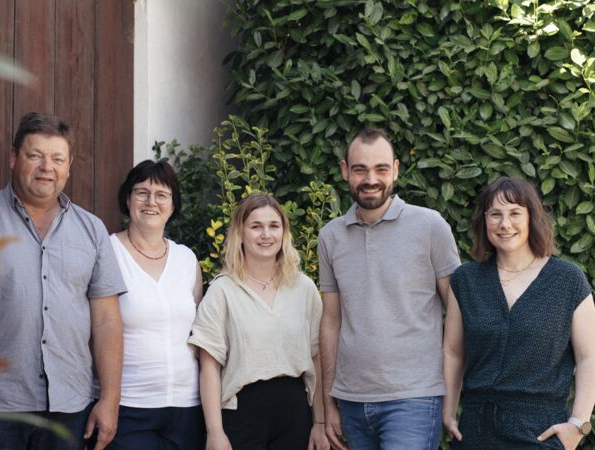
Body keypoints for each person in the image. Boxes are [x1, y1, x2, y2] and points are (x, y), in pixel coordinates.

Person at [0, 112, 126, 450]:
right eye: (35, 156)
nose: (47, 166)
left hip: (69, 408)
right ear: (14, 158)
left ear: (69, 166)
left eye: (57, 158)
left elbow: (107, 318)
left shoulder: (92, 230)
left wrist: (110, 398)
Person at [317, 128, 460, 450]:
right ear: (344, 171)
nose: (371, 179)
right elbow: (330, 322)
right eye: (360, 169)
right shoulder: (330, 237)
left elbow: (458, 309)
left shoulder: (430, 226)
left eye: (381, 169)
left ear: (395, 169)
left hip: (413, 398)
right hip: (350, 399)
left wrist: (451, 393)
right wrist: (329, 401)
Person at [442, 176, 595, 450]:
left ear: (531, 218)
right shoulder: (465, 280)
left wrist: (579, 424)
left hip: (541, 433)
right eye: (495, 215)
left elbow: (589, 356)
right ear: (484, 221)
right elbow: (453, 351)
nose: (504, 224)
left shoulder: (568, 280)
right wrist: (448, 411)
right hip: (476, 431)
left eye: (515, 213)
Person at [189, 193, 329, 450]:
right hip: (242, 414)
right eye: (256, 226)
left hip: (295, 414)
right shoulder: (223, 290)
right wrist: (214, 432)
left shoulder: (304, 288)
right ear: (240, 233)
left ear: (284, 233)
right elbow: (209, 366)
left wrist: (320, 423)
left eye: (274, 226)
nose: (266, 234)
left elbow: (318, 359)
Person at [103, 159, 205, 449]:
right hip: (129, 406)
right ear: (127, 198)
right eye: (141, 192)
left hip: (187, 407)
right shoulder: (108, 252)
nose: (151, 202)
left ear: (173, 206)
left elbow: (196, 334)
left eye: (162, 195)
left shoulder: (187, 259)